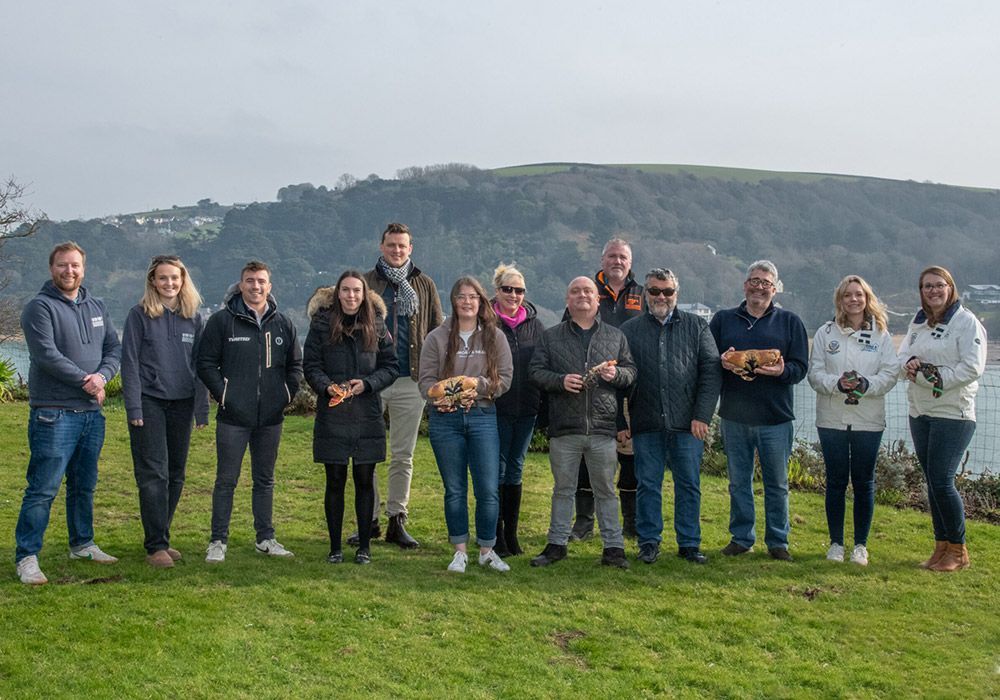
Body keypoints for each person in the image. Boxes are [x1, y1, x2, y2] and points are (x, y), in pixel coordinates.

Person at [15, 241, 122, 585]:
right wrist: (86, 381)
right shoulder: (39, 308)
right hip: (54, 414)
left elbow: (113, 348)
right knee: (43, 488)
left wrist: (104, 376)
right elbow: (46, 354)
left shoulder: (97, 305)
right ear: (52, 268)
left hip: (91, 415)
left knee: (84, 485)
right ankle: (27, 556)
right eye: (63, 265)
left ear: (83, 268)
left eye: (75, 265)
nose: (69, 271)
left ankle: (82, 543)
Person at [197, 261, 303, 563]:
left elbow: (296, 365)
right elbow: (206, 364)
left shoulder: (283, 323)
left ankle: (265, 538)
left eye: (261, 281)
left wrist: (285, 394)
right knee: (226, 480)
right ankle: (218, 540)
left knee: (265, 480)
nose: (255, 286)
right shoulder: (222, 322)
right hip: (233, 417)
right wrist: (225, 394)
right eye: (249, 281)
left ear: (269, 286)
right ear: (240, 284)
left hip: (270, 417)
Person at [530, 276, 637, 569]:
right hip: (565, 425)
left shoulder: (616, 336)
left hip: (603, 427)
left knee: (605, 490)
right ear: (567, 300)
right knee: (563, 489)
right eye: (575, 292)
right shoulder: (551, 336)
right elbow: (536, 372)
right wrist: (560, 381)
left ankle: (614, 548)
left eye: (588, 291)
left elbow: (631, 372)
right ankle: (556, 545)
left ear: (597, 298)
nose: (582, 296)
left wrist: (618, 376)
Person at [620, 268, 722, 565]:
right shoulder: (630, 330)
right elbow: (621, 379)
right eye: (654, 291)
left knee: (689, 483)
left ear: (676, 294)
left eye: (667, 291)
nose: (661, 296)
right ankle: (649, 542)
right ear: (645, 294)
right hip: (646, 420)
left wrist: (702, 415)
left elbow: (711, 372)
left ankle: (689, 543)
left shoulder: (697, 327)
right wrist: (621, 421)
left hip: (688, 423)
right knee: (647, 484)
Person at [352, 222, 444, 549]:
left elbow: (437, 331)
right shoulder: (365, 283)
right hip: (373, 379)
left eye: (402, 246)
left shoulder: (424, 284)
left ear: (411, 248)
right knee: (368, 452)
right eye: (391, 245)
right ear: (381, 246)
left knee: (403, 454)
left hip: (411, 380)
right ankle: (368, 520)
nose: (397, 251)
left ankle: (397, 519)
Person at [709, 260, 808, 561]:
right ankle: (742, 537)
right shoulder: (724, 320)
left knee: (776, 484)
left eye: (765, 282)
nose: (759, 286)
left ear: (775, 289)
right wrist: (722, 363)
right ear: (744, 285)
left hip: (775, 417)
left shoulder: (790, 322)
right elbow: (708, 361)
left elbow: (800, 367)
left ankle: (778, 541)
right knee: (739, 482)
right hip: (734, 416)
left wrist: (781, 371)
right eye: (754, 280)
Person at [418, 276, 513, 573]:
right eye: (461, 296)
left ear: (481, 301)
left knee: (487, 488)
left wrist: (477, 385)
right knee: (455, 489)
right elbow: (426, 384)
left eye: (473, 296)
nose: (467, 301)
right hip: (445, 421)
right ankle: (459, 551)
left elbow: (505, 380)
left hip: (483, 417)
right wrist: (446, 397)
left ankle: (487, 549)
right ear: (454, 301)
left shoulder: (495, 337)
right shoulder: (436, 337)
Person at [303, 271, 399, 565]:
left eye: (357, 291)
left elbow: (391, 366)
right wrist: (326, 386)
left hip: (366, 413)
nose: (351, 296)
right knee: (334, 480)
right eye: (346, 290)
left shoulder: (378, 325)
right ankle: (334, 547)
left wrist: (367, 384)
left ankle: (364, 546)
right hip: (332, 413)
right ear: (337, 294)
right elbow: (311, 365)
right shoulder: (320, 325)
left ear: (364, 294)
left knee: (364, 479)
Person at [121, 255, 210, 568]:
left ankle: (162, 536)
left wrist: (201, 410)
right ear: (152, 282)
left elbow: (200, 367)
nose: (169, 283)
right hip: (149, 402)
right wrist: (134, 406)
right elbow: (129, 363)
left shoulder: (195, 318)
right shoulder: (139, 315)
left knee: (176, 474)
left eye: (175, 278)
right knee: (153, 473)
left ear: (183, 281)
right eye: (163, 278)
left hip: (182, 403)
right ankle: (155, 545)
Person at [899, 266, 986, 572]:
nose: (933, 291)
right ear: (921, 291)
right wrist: (908, 366)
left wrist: (928, 377)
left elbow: (972, 368)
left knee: (942, 480)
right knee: (932, 482)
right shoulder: (918, 320)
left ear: (951, 288)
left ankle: (959, 550)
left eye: (939, 285)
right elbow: (903, 355)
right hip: (920, 411)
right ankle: (941, 547)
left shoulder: (967, 323)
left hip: (953, 412)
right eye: (927, 286)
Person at [808, 275, 899, 566]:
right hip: (832, 418)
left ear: (867, 297)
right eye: (847, 295)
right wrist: (838, 383)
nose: (853, 300)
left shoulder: (881, 334)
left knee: (864, 482)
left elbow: (890, 374)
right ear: (840, 300)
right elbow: (815, 373)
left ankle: (860, 545)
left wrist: (865, 385)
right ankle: (836, 543)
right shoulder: (826, 333)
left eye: (858, 294)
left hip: (868, 420)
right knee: (835, 481)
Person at [570, 238, 645, 541]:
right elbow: (568, 334)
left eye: (623, 257)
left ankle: (630, 523)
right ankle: (584, 523)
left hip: (629, 388)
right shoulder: (586, 290)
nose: (617, 261)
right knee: (587, 458)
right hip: (593, 391)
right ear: (602, 260)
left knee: (629, 458)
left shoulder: (643, 293)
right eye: (612, 256)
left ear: (630, 262)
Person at [491, 263, 544, 557]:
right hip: (495, 408)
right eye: (507, 289)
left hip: (527, 409)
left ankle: (511, 535)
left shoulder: (536, 326)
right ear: (496, 290)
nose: (513, 295)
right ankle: (495, 535)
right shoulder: (486, 322)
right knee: (496, 471)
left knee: (515, 470)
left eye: (519, 290)